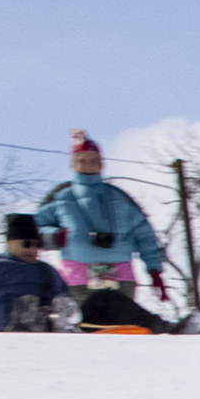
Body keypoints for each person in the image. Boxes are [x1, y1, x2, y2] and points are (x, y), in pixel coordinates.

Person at [33, 129, 177, 329]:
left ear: (102, 164)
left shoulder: (119, 198)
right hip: (77, 279)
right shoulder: (63, 199)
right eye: (82, 160)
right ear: (73, 164)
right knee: (84, 326)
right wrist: (54, 237)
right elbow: (33, 227)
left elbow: (145, 234)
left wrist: (154, 271)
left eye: (93, 160)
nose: (88, 165)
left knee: (119, 325)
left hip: (120, 278)